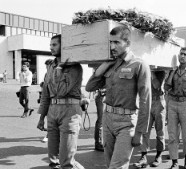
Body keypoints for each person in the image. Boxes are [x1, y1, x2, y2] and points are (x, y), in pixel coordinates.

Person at [85, 25, 151, 169]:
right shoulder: (110, 64)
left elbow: (146, 101)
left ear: (127, 43)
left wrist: (140, 132)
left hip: (126, 123)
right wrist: (104, 65)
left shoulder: (139, 65)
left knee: (117, 166)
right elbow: (90, 87)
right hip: (108, 119)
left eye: (116, 42)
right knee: (109, 164)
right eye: (110, 42)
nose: (112, 46)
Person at [36, 34, 84, 169]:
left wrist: (59, 68)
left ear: (64, 46)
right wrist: (42, 117)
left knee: (66, 160)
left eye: (54, 45)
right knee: (53, 159)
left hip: (70, 112)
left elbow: (61, 91)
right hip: (52, 112)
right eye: (50, 45)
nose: (51, 47)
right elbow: (46, 93)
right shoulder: (50, 67)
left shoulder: (75, 68)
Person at [133, 70, 166, 168]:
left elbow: (157, 86)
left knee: (160, 131)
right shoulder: (143, 71)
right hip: (146, 102)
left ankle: (159, 155)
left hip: (158, 103)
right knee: (144, 131)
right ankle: (143, 157)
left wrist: (151, 72)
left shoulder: (161, 73)